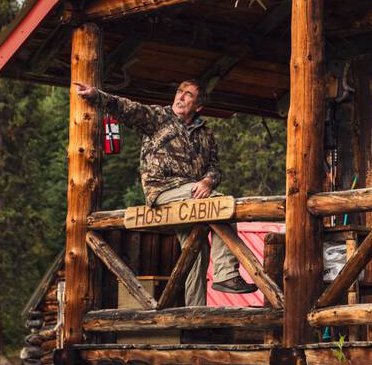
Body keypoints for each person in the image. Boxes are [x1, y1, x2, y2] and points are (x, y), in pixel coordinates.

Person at [73, 79, 257, 305]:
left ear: (198, 106)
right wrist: (95, 95)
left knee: (196, 250)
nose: (180, 97)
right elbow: (128, 109)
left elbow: (215, 168)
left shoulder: (205, 134)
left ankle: (194, 314)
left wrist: (208, 181)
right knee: (221, 204)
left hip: (192, 197)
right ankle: (227, 274)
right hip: (163, 191)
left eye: (188, 95)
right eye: (179, 92)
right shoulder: (158, 118)